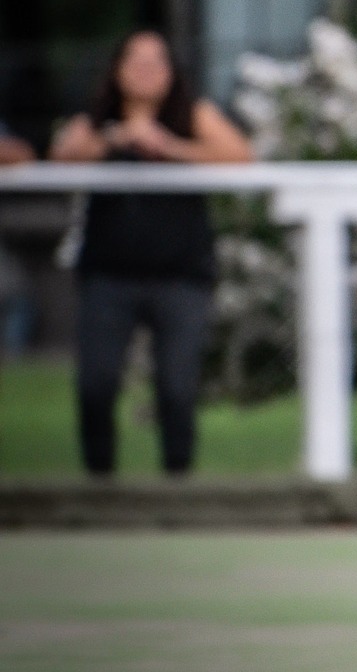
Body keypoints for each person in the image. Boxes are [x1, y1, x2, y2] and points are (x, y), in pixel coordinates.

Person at [50, 30, 252, 477]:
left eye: (155, 62)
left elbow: (241, 156)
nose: (144, 71)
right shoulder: (99, 117)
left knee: (177, 388)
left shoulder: (190, 114)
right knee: (97, 384)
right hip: (109, 274)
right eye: (134, 61)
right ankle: (99, 480)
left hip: (180, 273)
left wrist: (170, 147)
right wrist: (117, 139)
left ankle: (176, 481)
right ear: (117, 70)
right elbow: (61, 156)